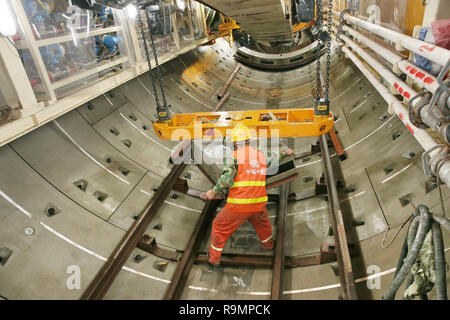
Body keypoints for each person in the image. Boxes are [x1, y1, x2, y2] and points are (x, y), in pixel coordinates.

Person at [202, 123, 294, 266]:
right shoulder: (260, 155)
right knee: (263, 225)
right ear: (248, 141)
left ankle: (214, 259)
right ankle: (268, 245)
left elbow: (226, 180)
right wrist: (285, 153)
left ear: (234, 143)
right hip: (258, 204)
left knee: (219, 226)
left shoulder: (233, 156)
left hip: (238, 206)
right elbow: (274, 158)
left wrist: (213, 192)